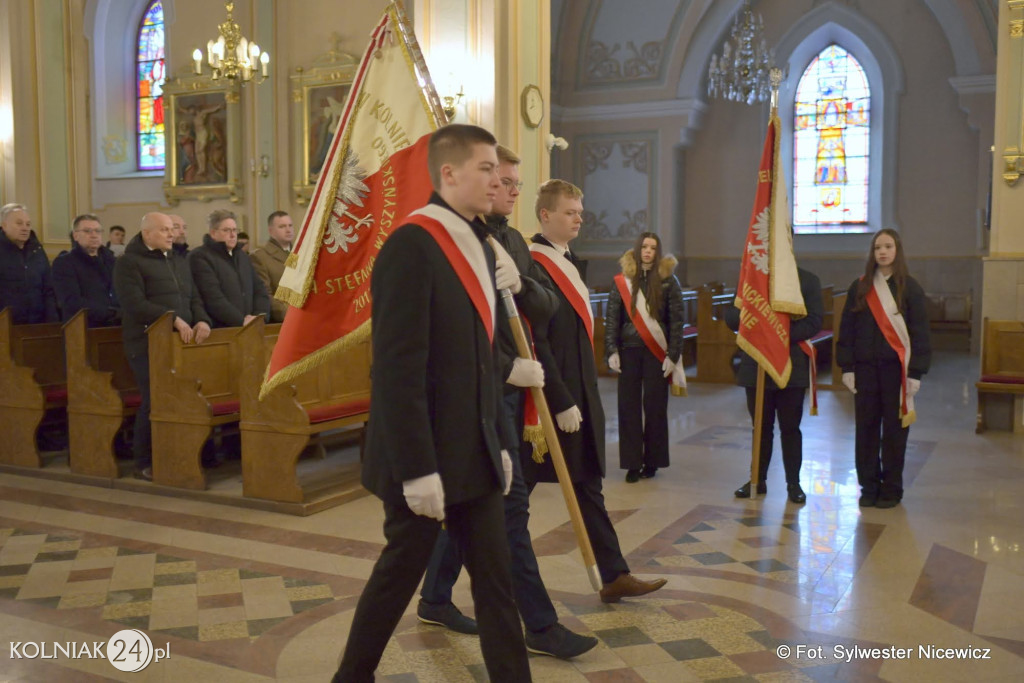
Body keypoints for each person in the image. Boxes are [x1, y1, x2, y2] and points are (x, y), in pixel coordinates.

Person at [333, 124, 530, 682]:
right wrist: (418, 471)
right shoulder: (412, 245)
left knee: (497, 585)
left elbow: (483, 359)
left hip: (475, 453)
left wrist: (501, 442)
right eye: (487, 169)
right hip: (425, 460)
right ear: (449, 173)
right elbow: (396, 371)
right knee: (398, 577)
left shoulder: (480, 241)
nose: (498, 180)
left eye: (499, 170)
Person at [414, 145, 597, 659]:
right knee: (508, 513)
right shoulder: (446, 241)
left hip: (509, 404)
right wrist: (503, 368)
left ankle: (433, 596)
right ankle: (539, 626)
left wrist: (520, 285)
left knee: (474, 506)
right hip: (467, 406)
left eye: (515, 183)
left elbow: (545, 308)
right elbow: (438, 339)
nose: (510, 190)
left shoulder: (513, 240)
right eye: (501, 180)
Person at [528, 179, 667, 604]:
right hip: (547, 405)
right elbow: (538, 340)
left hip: (577, 396)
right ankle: (437, 591)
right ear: (545, 215)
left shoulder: (568, 261)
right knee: (498, 502)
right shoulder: (535, 266)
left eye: (580, 211)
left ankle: (615, 574)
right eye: (570, 212)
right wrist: (561, 398)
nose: (579, 218)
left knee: (588, 487)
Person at [113, 213, 211, 482]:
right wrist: (172, 318)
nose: (172, 234)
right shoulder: (128, 263)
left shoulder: (178, 260)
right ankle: (143, 461)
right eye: (165, 230)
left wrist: (202, 319)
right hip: (145, 343)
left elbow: (193, 297)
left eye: (172, 229)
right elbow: (134, 304)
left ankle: (178, 455)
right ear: (147, 233)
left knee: (182, 398)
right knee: (154, 399)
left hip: (179, 343)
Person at [837, 228, 930, 509]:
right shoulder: (861, 286)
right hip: (865, 371)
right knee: (865, 429)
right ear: (873, 252)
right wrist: (847, 366)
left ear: (897, 250)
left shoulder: (910, 288)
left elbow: (920, 333)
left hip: (895, 373)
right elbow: (847, 329)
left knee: (894, 431)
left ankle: (891, 488)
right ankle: (868, 486)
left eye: (888, 246)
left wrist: (915, 372)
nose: (883, 252)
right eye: (878, 247)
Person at [724, 267, 824, 504]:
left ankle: (793, 483)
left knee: (790, 427)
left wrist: (776, 334)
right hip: (756, 363)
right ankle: (757, 480)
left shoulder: (807, 279)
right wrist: (753, 323)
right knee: (760, 427)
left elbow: (814, 321)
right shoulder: (752, 278)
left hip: (791, 364)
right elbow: (730, 316)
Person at [604, 232, 685, 482]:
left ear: (658, 251)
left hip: (656, 353)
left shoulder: (669, 281)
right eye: (644, 247)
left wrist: (672, 354)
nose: (648, 251)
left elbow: (677, 322)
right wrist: (611, 350)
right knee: (627, 408)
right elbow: (612, 319)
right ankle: (631, 463)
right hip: (628, 351)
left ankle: (653, 461)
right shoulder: (622, 281)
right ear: (637, 249)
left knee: (655, 407)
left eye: (653, 247)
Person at [188, 210, 269, 328]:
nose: (232, 235)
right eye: (226, 230)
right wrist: (241, 321)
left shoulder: (242, 256)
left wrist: (260, 317)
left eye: (235, 230)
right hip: (222, 329)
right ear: (213, 233)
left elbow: (259, 289)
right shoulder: (200, 257)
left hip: (250, 327)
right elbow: (213, 298)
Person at [52, 214, 121, 326]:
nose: (94, 235)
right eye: (87, 231)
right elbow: (71, 301)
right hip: (84, 327)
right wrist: (110, 313)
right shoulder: (64, 263)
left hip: (116, 325)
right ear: (75, 236)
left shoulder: (111, 260)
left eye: (97, 231)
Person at [0, 203, 58, 324]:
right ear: (4, 225)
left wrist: (52, 321)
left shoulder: (37, 250)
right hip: (6, 326)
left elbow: (48, 289)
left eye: (28, 224)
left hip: (37, 324)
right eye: (19, 223)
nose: (25, 228)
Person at [251, 211, 293, 322]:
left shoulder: (302, 253)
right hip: (283, 320)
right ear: (271, 231)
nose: (288, 230)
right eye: (282, 226)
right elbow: (265, 294)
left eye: (290, 225)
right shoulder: (260, 257)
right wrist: (289, 314)